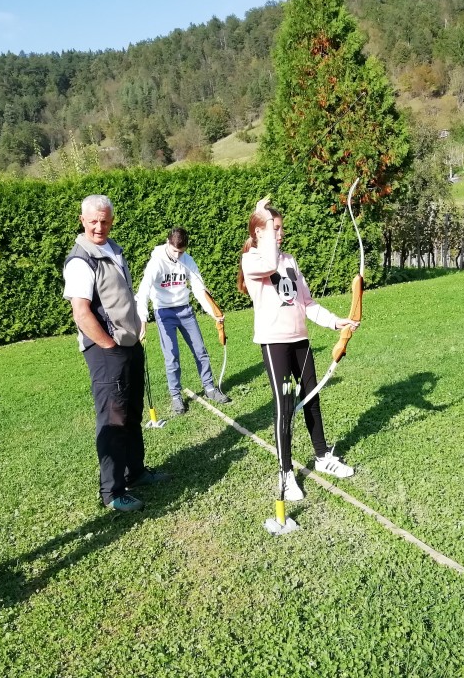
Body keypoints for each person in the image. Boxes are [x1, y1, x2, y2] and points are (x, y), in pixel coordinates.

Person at [237, 198, 358, 501]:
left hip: (300, 340)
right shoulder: (252, 260)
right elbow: (267, 263)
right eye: (274, 229)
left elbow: (307, 303)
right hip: (274, 342)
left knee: (312, 398)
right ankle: (286, 473)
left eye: (280, 229)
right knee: (285, 408)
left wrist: (335, 323)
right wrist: (262, 214)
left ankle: (321, 456)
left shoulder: (289, 261)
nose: (280, 234)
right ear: (259, 232)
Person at [63, 194, 168, 514]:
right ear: (82, 220)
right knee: (112, 418)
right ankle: (112, 491)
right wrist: (108, 345)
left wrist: (137, 324)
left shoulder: (113, 248)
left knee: (132, 410)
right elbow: (81, 313)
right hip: (106, 349)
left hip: (129, 342)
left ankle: (134, 472)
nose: (99, 226)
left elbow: (122, 297)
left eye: (105, 220)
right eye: (93, 221)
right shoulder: (81, 259)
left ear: (112, 219)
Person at [136, 227, 230, 415]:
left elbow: (199, 289)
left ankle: (210, 388)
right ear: (168, 242)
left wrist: (214, 313)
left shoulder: (188, 261)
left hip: (185, 310)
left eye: (182, 251)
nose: (178, 256)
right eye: (175, 251)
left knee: (200, 351)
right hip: (164, 313)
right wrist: (142, 320)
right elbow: (143, 291)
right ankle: (176, 396)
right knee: (172, 357)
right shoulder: (156, 262)